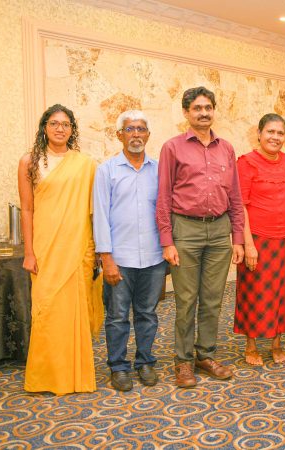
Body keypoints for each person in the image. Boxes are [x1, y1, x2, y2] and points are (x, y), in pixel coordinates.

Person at [156, 86, 245, 388]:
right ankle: (182, 361)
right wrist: (167, 241)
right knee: (185, 300)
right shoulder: (172, 148)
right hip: (186, 231)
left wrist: (238, 237)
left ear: (213, 111)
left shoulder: (226, 149)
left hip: (219, 231)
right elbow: (163, 197)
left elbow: (235, 196)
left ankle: (205, 355)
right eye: (197, 108)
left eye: (208, 107)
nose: (203, 113)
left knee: (212, 299)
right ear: (186, 112)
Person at [17, 104, 102, 394]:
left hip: (76, 248)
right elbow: (27, 209)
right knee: (45, 310)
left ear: (72, 130)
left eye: (66, 124)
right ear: (44, 127)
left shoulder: (85, 165)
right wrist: (29, 252)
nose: (60, 128)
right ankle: (45, 377)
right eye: (54, 123)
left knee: (72, 313)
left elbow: (94, 211)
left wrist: (97, 250)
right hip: (45, 248)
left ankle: (75, 376)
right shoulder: (29, 162)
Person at [93, 110, 166, 391]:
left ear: (148, 135)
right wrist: (106, 258)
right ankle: (119, 367)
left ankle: (145, 362)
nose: (136, 134)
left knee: (147, 314)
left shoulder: (159, 170)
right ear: (119, 135)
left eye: (141, 129)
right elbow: (100, 216)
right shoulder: (107, 170)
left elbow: (165, 212)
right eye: (130, 129)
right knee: (117, 316)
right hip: (120, 258)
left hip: (153, 257)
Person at [234, 113, 285, 366]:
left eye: (280, 133)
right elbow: (240, 206)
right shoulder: (246, 162)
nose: (275, 137)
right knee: (255, 292)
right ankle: (251, 345)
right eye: (270, 132)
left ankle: (276, 343)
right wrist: (248, 244)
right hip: (258, 239)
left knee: (283, 292)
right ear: (259, 134)